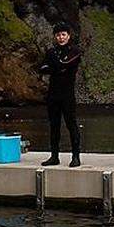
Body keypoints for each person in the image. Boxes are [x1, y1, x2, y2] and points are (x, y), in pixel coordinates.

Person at [38, 23, 82, 167]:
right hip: (53, 93)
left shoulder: (74, 51)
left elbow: (65, 64)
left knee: (71, 124)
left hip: (67, 93)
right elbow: (42, 68)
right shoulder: (51, 51)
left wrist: (55, 67)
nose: (61, 37)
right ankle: (54, 156)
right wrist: (58, 68)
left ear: (68, 36)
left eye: (63, 34)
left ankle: (75, 156)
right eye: (58, 35)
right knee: (54, 125)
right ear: (55, 37)